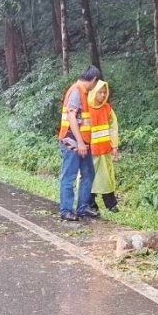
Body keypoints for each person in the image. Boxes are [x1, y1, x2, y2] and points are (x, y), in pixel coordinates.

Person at [58, 65, 101, 221]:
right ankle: (66, 210)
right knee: (69, 176)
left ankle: (83, 207)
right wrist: (80, 143)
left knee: (88, 173)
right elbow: (71, 116)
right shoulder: (76, 91)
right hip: (71, 142)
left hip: (82, 142)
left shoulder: (83, 92)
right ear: (94, 80)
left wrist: (84, 143)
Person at [83, 80, 120, 213]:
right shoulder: (86, 108)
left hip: (104, 151)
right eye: (100, 92)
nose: (103, 95)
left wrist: (114, 145)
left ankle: (111, 205)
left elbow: (113, 127)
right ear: (94, 92)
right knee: (90, 179)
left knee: (106, 178)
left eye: (105, 92)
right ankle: (90, 205)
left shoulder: (107, 109)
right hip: (90, 151)